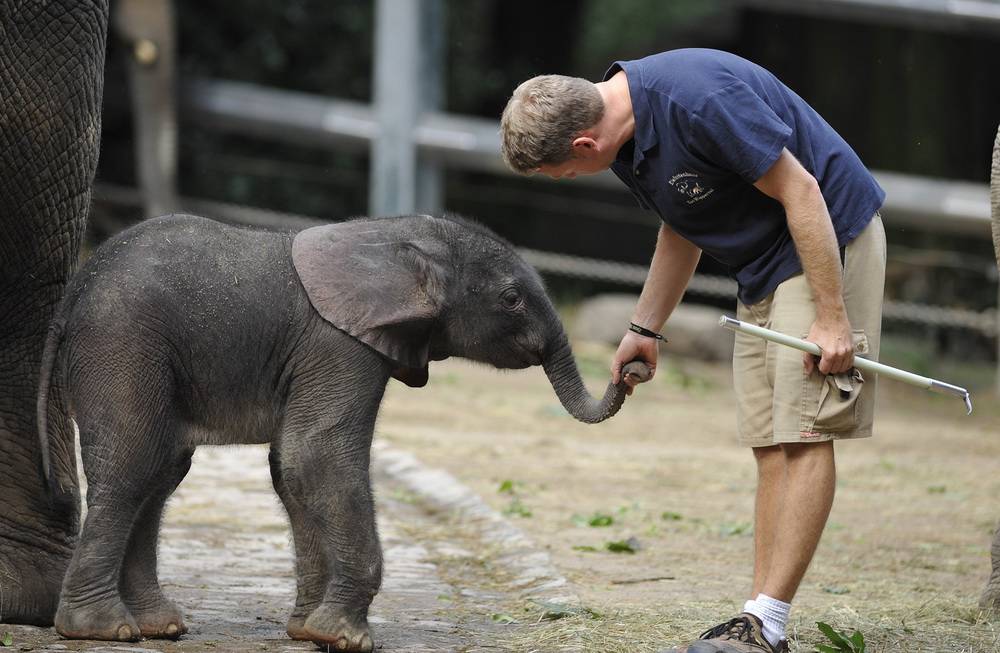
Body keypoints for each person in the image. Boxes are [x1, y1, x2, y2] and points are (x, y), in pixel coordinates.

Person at [499, 49, 886, 653]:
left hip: (825, 238)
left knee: (805, 429)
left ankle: (768, 621)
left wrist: (833, 319)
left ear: (582, 145)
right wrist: (647, 327)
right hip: (761, 263)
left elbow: (804, 191)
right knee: (768, 439)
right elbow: (683, 223)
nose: (572, 181)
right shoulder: (627, 139)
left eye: (564, 173)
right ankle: (758, 617)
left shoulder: (697, 101)